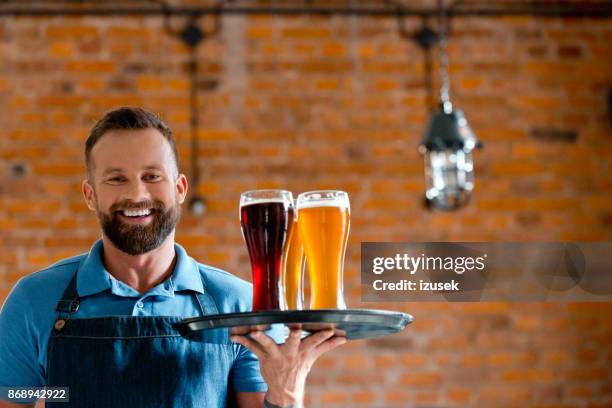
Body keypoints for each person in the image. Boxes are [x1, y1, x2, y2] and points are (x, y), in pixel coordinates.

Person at [0, 107, 346, 408]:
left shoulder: (239, 305)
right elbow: (19, 398)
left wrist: (287, 390)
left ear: (179, 189)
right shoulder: (34, 301)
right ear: (90, 195)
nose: (137, 194)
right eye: (116, 178)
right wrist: (62, 394)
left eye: (152, 176)